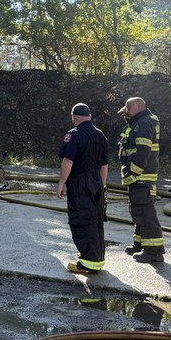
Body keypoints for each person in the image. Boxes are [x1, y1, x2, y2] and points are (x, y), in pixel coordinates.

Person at [57, 102, 109, 275]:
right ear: (90, 117)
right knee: (96, 220)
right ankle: (97, 259)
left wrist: (61, 183)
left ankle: (87, 262)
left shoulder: (74, 135)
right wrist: (101, 186)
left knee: (81, 219)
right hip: (97, 182)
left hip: (80, 181)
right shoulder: (101, 136)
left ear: (74, 117)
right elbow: (104, 166)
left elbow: (68, 161)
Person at [118, 96, 165, 264]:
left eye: (127, 109)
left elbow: (142, 152)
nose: (126, 113)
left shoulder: (144, 123)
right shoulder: (139, 122)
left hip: (141, 176)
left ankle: (154, 251)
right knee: (138, 209)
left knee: (145, 212)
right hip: (140, 176)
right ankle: (140, 244)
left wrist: (132, 174)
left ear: (137, 107)